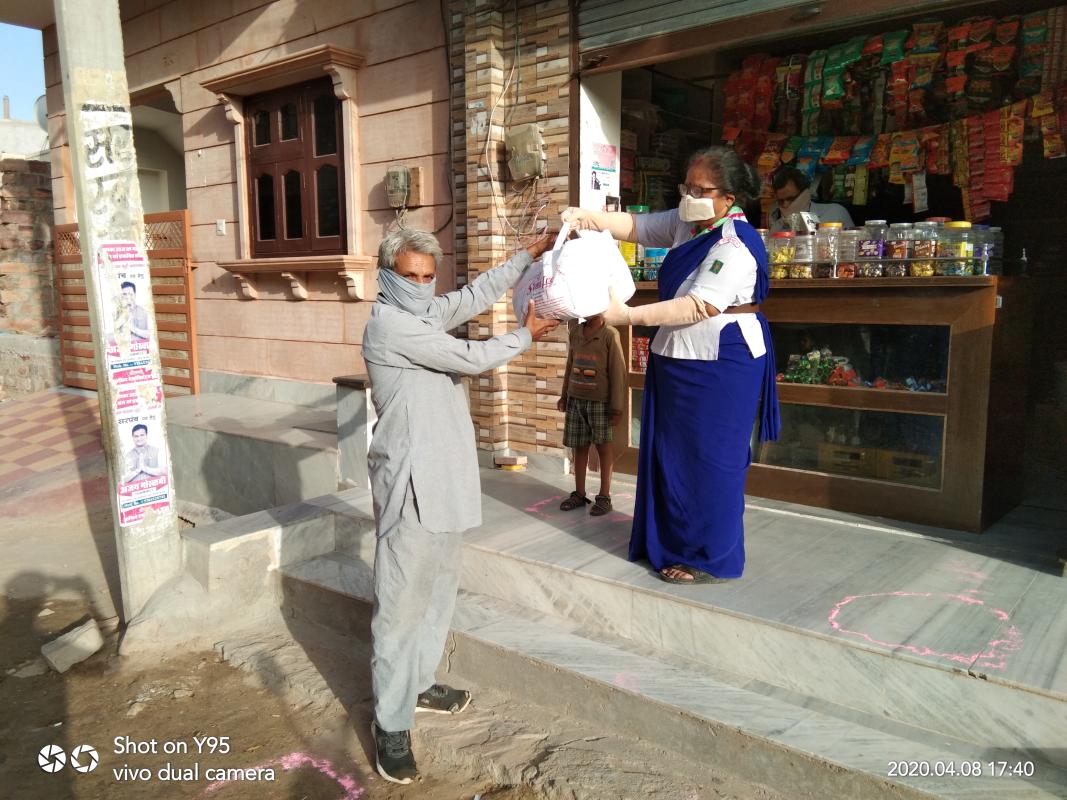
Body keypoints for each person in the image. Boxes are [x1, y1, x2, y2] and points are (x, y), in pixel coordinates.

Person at [361, 228, 558, 784]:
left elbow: (472, 297)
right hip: (410, 483)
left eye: (429, 276)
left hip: (445, 477)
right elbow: (470, 358)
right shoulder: (391, 325)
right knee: (400, 605)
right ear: (388, 275)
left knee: (439, 589)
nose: (422, 287)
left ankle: (419, 684)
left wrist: (528, 255)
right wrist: (526, 334)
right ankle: (391, 723)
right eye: (411, 276)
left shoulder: (421, 313)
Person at [561, 146, 780, 585]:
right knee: (671, 456)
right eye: (687, 186)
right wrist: (591, 218)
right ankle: (666, 541)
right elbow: (639, 227)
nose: (690, 195)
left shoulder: (734, 244)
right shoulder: (688, 223)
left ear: (729, 197)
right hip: (677, 356)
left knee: (711, 461)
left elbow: (699, 305)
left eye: (702, 189)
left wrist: (626, 316)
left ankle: (710, 556)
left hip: (721, 362)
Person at [557, 313, 626, 516]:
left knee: (604, 448)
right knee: (580, 448)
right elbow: (570, 365)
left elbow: (617, 371)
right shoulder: (576, 332)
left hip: (600, 402)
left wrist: (617, 407)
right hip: (576, 398)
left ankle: (604, 497)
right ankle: (579, 493)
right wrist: (564, 396)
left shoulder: (610, 335)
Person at [767, 167, 854, 233]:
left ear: (804, 195)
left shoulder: (835, 213)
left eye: (791, 199)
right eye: (781, 201)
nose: (785, 205)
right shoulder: (776, 224)